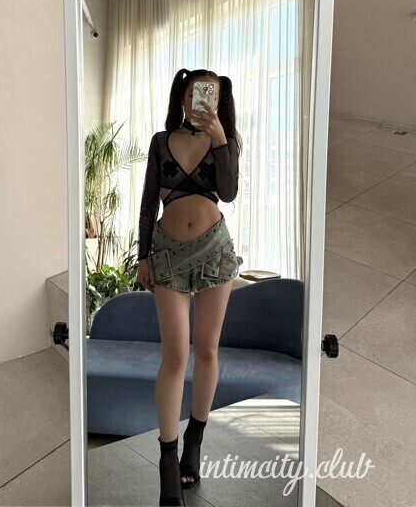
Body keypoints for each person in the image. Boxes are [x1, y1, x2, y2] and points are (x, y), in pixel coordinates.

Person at [136, 68, 243, 507]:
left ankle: (194, 440)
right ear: (182, 96)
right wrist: (142, 255)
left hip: (215, 249)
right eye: (195, 92)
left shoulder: (227, 142)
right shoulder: (162, 141)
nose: (201, 100)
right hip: (167, 254)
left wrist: (220, 140)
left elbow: (229, 192)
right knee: (176, 355)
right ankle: (167, 458)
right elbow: (148, 202)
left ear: (219, 100)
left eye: (210, 94)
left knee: (208, 350)